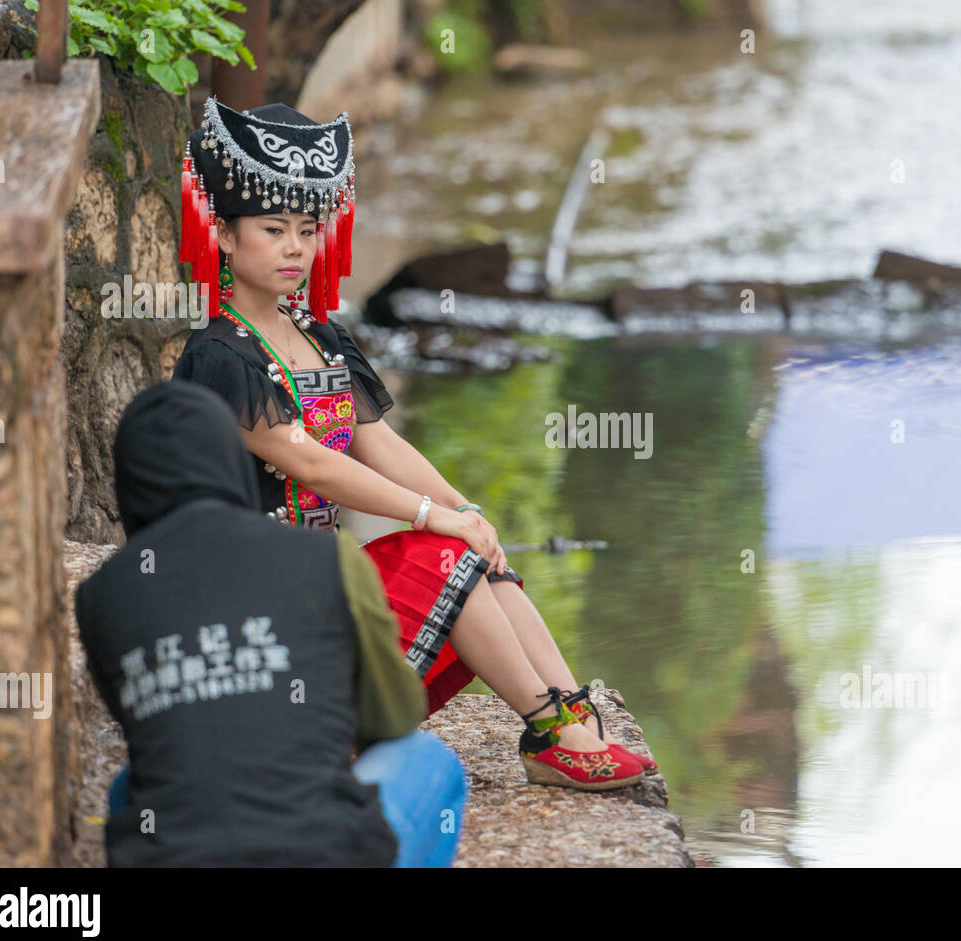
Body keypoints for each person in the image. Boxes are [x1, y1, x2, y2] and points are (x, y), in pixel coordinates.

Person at [171, 96, 655, 789]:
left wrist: (465, 508)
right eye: (273, 228)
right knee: (446, 547)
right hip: (264, 620)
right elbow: (310, 460)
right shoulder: (221, 356)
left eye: (306, 230)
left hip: (327, 591)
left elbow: (377, 442)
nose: (294, 248)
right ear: (221, 234)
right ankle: (549, 731)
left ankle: (568, 711)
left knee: (474, 545)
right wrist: (431, 517)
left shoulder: (321, 335)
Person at [75, 380, 466, 866]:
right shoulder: (323, 555)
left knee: (129, 785)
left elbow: (152, 729)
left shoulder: (102, 595)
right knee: (430, 760)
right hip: (326, 852)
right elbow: (391, 718)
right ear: (231, 459)